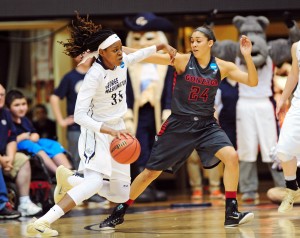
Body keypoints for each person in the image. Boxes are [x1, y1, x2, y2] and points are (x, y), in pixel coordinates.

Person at [25, 12, 176, 237]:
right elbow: (79, 116)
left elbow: (140, 55)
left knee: (120, 195)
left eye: (121, 48)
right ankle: (42, 221)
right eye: (115, 50)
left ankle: (72, 179)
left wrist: (161, 46)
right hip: (97, 132)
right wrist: (107, 130)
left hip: (119, 131)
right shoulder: (93, 77)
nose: (121, 52)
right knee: (94, 184)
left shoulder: (122, 61)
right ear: (102, 52)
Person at [99, 25, 258, 229]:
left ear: (210, 43)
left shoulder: (222, 67)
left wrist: (247, 55)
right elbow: (146, 57)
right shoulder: (182, 60)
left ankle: (231, 212)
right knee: (150, 172)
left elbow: (252, 81)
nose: (194, 44)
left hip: (206, 124)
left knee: (231, 157)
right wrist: (118, 50)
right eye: (192, 40)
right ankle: (118, 212)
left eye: (198, 40)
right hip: (179, 125)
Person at [123, 12, 174, 202]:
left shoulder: (166, 63)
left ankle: (153, 185)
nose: (143, 42)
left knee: (157, 149)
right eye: (137, 38)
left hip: (159, 113)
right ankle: (142, 188)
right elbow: (126, 90)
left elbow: (170, 88)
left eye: (149, 37)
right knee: (140, 148)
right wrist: (126, 113)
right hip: (138, 113)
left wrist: (168, 109)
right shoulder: (128, 65)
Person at [5, 90, 72, 175]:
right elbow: (7, 141)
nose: (21, 108)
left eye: (24, 104)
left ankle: (70, 172)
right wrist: (24, 136)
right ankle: (59, 173)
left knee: (51, 143)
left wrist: (34, 136)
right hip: (17, 146)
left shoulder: (24, 119)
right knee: (30, 144)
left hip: (31, 141)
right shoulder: (6, 121)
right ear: (8, 108)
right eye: (16, 105)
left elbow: (34, 133)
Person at [0, 84, 42, 217]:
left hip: (5, 155)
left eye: (2, 94)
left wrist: (10, 158)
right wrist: (2, 160)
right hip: (1, 158)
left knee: (23, 159)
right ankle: (2, 204)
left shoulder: (5, 113)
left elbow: (12, 138)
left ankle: (24, 202)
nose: (0, 97)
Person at [50, 54, 93, 169]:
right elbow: (54, 98)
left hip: (96, 125)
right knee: (77, 159)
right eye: (83, 54)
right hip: (76, 127)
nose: (87, 57)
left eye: (89, 53)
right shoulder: (70, 77)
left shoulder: (97, 74)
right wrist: (61, 121)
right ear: (76, 57)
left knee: (96, 158)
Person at [275, 40, 300, 213]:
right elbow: (294, 74)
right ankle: (292, 190)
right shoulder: (297, 47)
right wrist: (283, 99)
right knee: (283, 149)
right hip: (298, 103)